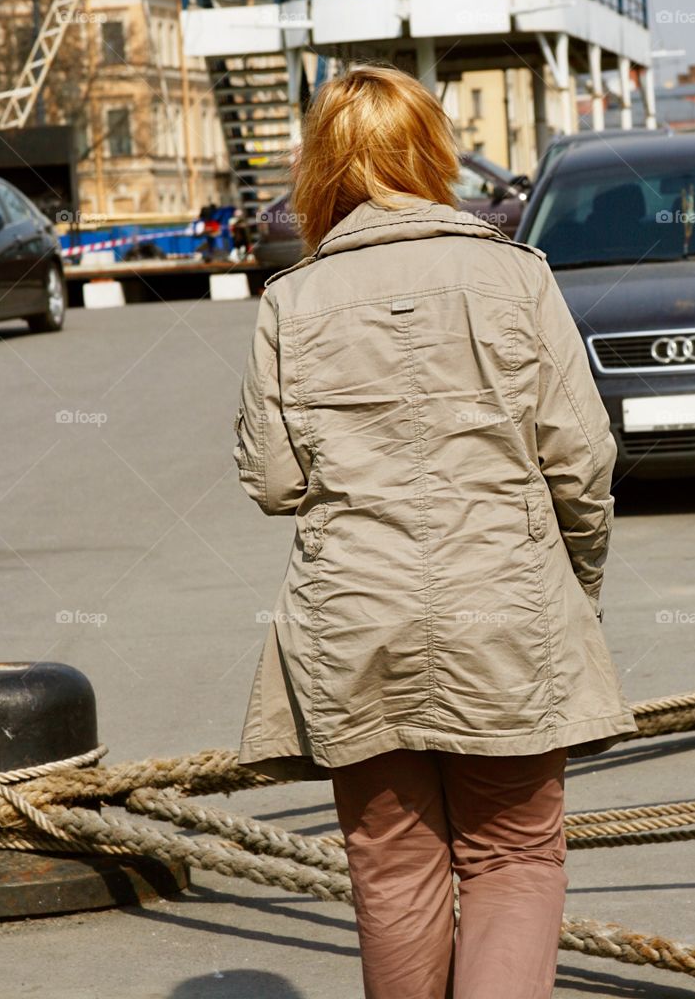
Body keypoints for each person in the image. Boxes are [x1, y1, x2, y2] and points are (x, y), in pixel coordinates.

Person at [233, 63, 637, 999]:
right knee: (514, 856)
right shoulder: (513, 273)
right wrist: (575, 586)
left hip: (354, 619)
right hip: (505, 605)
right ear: (432, 151)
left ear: (320, 165)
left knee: (390, 866)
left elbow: (273, 481)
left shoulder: (290, 300)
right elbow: (580, 458)